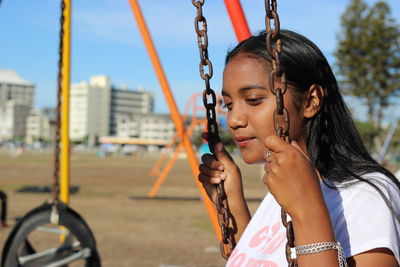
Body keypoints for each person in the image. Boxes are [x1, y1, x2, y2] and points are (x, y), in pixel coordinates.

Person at [198, 30, 400, 267]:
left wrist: (307, 210)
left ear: (310, 101)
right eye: (229, 105)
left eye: (253, 100)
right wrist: (233, 201)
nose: (234, 120)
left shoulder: (367, 196)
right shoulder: (285, 189)